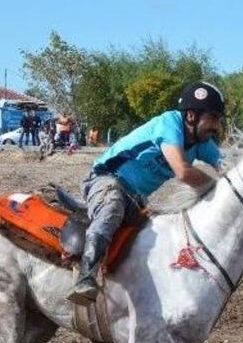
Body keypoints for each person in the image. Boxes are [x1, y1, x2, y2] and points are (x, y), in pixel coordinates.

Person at [66, 81, 225, 305]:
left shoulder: (202, 142)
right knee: (111, 208)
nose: (216, 126)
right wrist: (221, 187)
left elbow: (228, 168)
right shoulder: (169, 124)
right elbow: (182, 170)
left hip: (137, 198)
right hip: (107, 180)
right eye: (214, 118)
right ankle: (86, 275)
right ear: (191, 116)